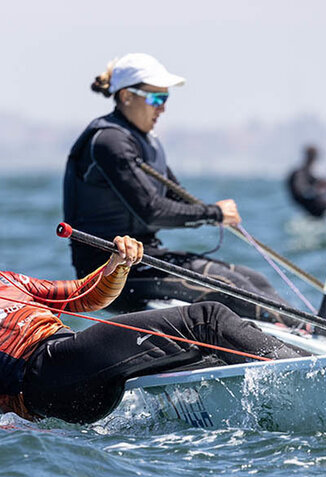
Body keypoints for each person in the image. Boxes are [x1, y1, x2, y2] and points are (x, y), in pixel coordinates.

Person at [0, 187, 309, 424]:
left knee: (206, 348)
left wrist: (117, 265)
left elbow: (81, 297)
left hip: (77, 372)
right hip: (41, 377)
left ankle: (281, 405)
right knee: (207, 319)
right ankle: (313, 370)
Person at [63, 52, 296, 325]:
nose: (162, 108)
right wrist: (214, 214)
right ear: (126, 96)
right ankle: (311, 336)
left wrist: (213, 213)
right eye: (156, 98)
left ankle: (322, 332)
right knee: (227, 284)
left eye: (166, 98)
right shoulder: (109, 142)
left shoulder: (145, 140)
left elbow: (175, 195)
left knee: (253, 278)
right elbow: (151, 211)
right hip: (110, 270)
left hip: (146, 257)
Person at [286, 145, 326, 218]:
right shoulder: (299, 174)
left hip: (315, 205)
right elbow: (304, 192)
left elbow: (322, 184)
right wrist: (317, 189)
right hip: (312, 207)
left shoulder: (308, 173)